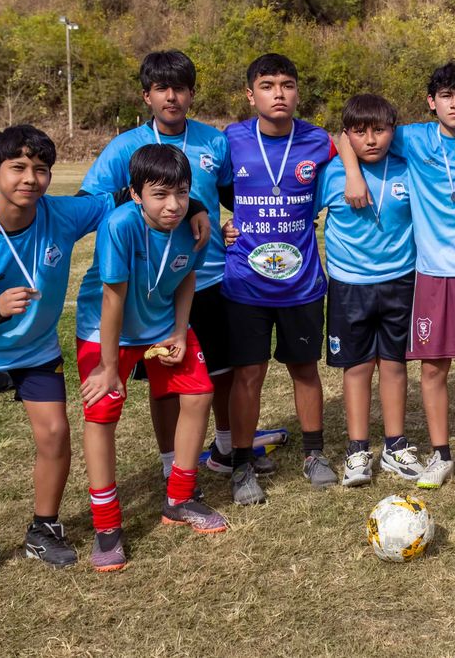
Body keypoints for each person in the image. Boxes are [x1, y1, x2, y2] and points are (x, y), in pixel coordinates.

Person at [0, 125, 116, 593]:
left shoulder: (61, 214)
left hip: (35, 348)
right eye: (18, 167)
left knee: (55, 432)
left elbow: (122, 197)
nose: (30, 178)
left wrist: (195, 209)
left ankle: (43, 529)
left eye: (41, 169)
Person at [338, 61, 455, 490]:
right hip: (431, 271)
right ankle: (441, 454)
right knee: (432, 368)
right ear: (432, 102)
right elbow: (345, 135)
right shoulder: (411, 138)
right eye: (446, 96)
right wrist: (353, 173)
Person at [80, 50, 244, 485]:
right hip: (151, 285)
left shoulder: (214, 141)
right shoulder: (124, 147)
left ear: (192, 93)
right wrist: (193, 204)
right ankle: (171, 461)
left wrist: (232, 221)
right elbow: (92, 203)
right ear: (146, 96)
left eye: (180, 88)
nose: (171, 97)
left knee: (220, 370)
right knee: (167, 380)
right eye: (161, 89)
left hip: (207, 274)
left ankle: (225, 447)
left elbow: (231, 195)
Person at [75, 144, 227, 572]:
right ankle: (107, 525)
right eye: (159, 195)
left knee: (199, 393)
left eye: (181, 193)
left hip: (162, 324)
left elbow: (187, 276)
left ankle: (180, 497)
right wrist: (109, 367)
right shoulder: (119, 225)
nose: (173, 205)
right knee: (102, 411)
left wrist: (180, 329)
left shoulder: (194, 225)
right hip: (106, 330)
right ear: (136, 194)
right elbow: (112, 298)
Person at [220, 53, 338, 505]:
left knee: (304, 369)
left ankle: (314, 454)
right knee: (248, 373)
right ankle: (241, 463)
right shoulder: (231, 139)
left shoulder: (317, 140)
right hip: (245, 282)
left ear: (297, 92)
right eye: (267, 86)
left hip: (301, 281)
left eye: (287, 85)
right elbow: (204, 186)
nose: (279, 94)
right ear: (251, 95)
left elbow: (355, 144)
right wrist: (220, 222)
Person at [315, 94, 424, 486]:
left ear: (393, 131)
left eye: (380, 130)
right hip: (350, 285)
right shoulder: (331, 174)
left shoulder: (408, 169)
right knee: (358, 366)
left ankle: (395, 446)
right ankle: (358, 450)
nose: (371, 139)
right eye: (360, 132)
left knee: (394, 364)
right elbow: (302, 217)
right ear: (348, 135)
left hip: (400, 281)